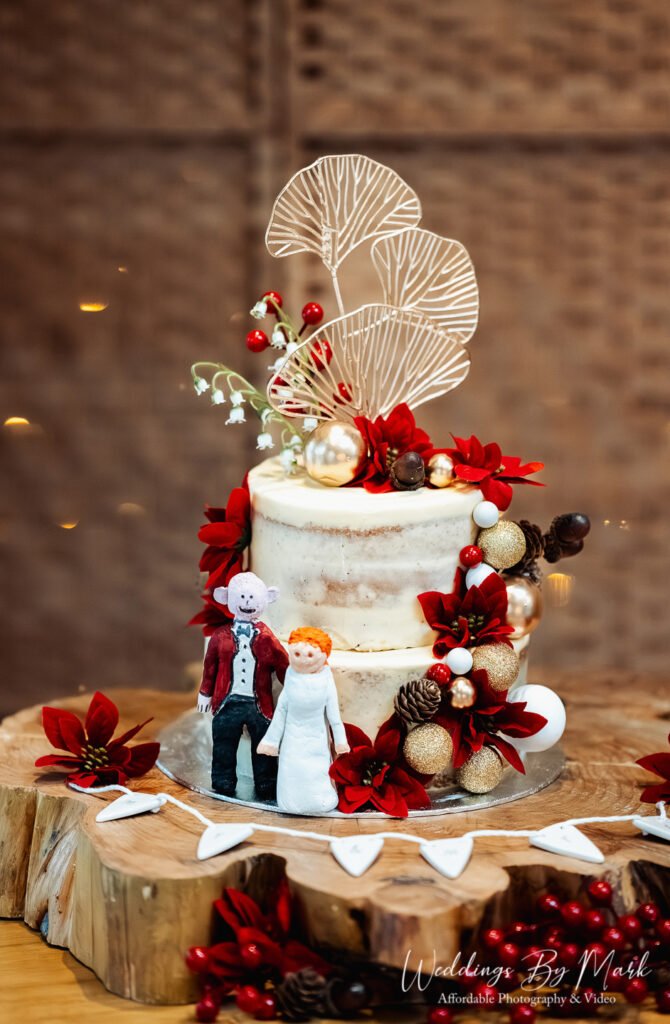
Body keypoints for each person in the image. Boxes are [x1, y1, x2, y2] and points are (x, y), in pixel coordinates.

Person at [197, 571, 288, 799]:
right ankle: (222, 781)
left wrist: (295, 690)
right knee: (224, 744)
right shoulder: (220, 637)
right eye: (242, 597)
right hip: (227, 701)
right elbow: (210, 667)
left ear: (265, 599)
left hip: (260, 704)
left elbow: (283, 664)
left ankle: (266, 784)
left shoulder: (268, 638)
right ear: (228, 599)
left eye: (252, 597)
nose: (247, 602)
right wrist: (205, 693)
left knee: (264, 747)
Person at [257, 627, 349, 814]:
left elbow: (333, 714)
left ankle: (321, 799)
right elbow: (281, 710)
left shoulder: (325, 680)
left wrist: (340, 741)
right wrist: (271, 742)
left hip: (316, 736)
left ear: (324, 655)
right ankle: (290, 801)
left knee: (316, 769)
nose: (303, 659)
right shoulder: (291, 677)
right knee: (292, 768)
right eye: (297, 653)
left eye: (309, 654)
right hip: (292, 736)